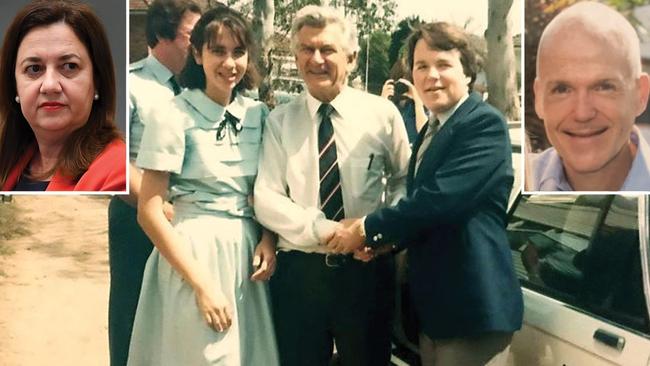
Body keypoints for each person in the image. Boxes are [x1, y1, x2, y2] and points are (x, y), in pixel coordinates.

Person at [327, 22, 523, 366]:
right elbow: (429, 215)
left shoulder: (483, 125)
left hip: (472, 310)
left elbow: (438, 200)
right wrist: (388, 243)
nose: (431, 75)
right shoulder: (433, 128)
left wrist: (365, 228)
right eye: (421, 66)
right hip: (434, 313)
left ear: (468, 73)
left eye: (443, 65)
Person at [253, 5, 410, 366]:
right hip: (300, 276)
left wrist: (379, 233)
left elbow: (405, 181)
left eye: (328, 50)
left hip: (367, 270)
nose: (317, 59)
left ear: (351, 57)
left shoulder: (382, 116)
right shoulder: (280, 121)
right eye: (307, 49)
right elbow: (267, 198)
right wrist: (327, 230)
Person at [127, 6, 278, 366]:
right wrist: (202, 284)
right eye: (217, 51)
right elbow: (149, 212)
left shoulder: (259, 115)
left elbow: (270, 192)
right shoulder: (173, 114)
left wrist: (269, 240)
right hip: (192, 256)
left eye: (238, 52)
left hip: (245, 263)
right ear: (197, 54)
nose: (229, 63)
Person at [108, 1, 200, 365]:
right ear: (163, 33)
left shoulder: (204, 89)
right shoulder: (128, 84)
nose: (201, 45)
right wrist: (157, 206)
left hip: (193, 226)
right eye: (194, 35)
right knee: (134, 320)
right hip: (138, 225)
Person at [0, 0, 125, 192]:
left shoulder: (117, 171)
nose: (50, 86)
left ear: (97, 81)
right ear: (14, 86)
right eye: (34, 69)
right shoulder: (10, 161)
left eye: (69, 66)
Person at [529, 1, 650, 191]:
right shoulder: (513, 187)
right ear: (539, 99)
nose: (582, 113)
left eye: (603, 87)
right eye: (562, 89)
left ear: (641, 95)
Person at [381, 61, 428, 145]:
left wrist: (417, 101)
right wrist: (382, 102)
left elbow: (424, 132)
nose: (403, 86)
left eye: (407, 82)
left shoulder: (422, 105)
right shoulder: (389, 105)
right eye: (399, 83)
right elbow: (376, 132)